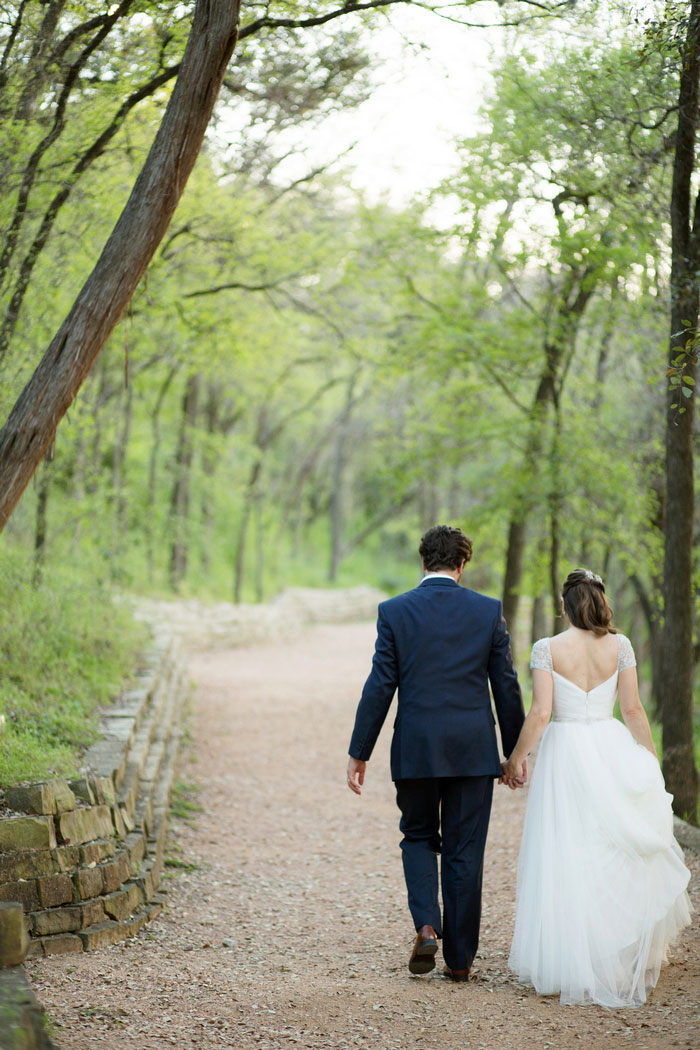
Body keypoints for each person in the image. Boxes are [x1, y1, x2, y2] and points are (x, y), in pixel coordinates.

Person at [503, 568, 692, 1007]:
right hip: (609, 746)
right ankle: (613, 949)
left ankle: (571, 957)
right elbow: (633, 709)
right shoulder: (621, 646)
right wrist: (649, 761)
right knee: (611, 847)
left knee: (568, 849)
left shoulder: (547, 648)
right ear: (601, 602)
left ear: (565, 605)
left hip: (566, 752)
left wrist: (516, 758)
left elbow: (541, 714)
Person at [346, 525, 525, 981]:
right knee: (465, 851)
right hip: (472, 752)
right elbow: (505, 685)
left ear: (422, 562)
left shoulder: (395, 611)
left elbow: (380, 684)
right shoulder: (487, 612)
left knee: (419, 835)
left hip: (417, 750)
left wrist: (359, 751)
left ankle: (427, 925)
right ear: (462, 565)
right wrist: (514, 752)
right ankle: (461, 962)